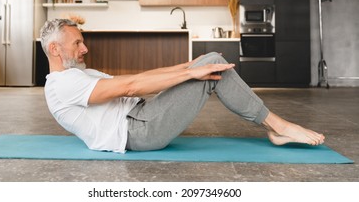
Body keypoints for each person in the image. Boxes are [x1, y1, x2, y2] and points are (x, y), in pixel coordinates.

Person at [40, 18, 325, 153]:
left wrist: (189, 66)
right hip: (137, 131)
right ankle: (279, 127)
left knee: (209, 62)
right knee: (213, 65)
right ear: (55, 49)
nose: (85, 48)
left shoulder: (79, 75)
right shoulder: (62, 85)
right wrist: (192, 74)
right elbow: (131, 87)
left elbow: (137, 79)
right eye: (77, 42)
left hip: (141, 116)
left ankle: (276, 127)